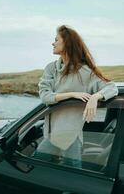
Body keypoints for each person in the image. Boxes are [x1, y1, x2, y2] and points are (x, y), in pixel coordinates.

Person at [34, 25, 118, 168]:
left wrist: (95, 97)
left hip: (72, 135)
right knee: (36, 166)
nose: (52, 43)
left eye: (56, 40)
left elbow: (111, 87)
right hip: (50, 134)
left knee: (72, 173)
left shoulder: (85, 72)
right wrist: (72, 94)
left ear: (67, 43)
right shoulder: (51, 68)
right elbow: (45, 97)